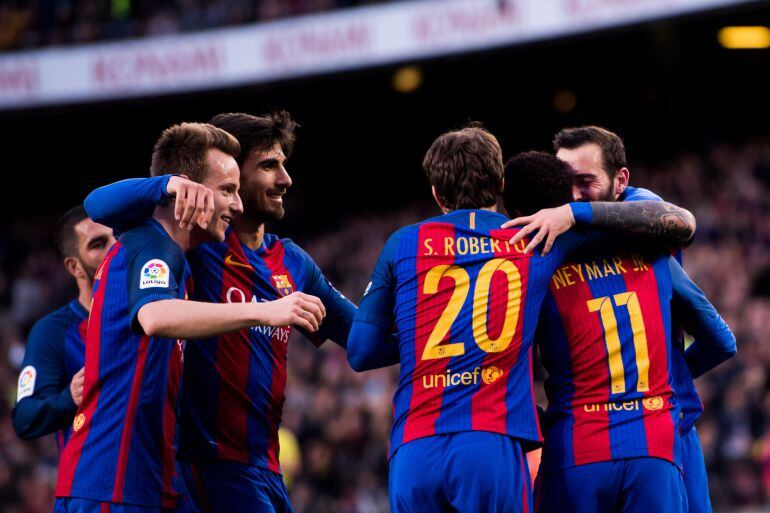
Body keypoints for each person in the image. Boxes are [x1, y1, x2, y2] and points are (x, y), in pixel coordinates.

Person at [346, 124, 695, 513]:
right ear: (499, 183)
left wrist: (423, 335)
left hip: (413, 447)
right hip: (491, 443)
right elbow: (678, 223)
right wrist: (570, 213)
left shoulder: (401, 242)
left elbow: (361, 352)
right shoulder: (534, 240)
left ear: (435, 193)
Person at [82, 112, 390, 513]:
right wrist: (169, 185)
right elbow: (99, 205)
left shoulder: (293, 262)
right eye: (268, 166)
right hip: (207, 464)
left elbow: (363, 343)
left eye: (283, 165)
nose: (285, 179)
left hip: (268, 465)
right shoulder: (197, 240)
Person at [513, 126, 734, 512]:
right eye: (566, 185)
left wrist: (570, 213)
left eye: (586, 181)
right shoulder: (644, 246)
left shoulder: (632, 218)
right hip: (659, 433)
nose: (574, 194)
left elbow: (683, 223)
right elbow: (719, 339)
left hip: (620, 437)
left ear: (621, 181)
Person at [12, 207, 114, 449]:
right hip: (92, 478)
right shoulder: (53, 331)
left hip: (166, 478)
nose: (114, 249)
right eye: (98, 244)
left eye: (116, 238)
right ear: (74, 267)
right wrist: (70, 397)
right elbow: (25, 417)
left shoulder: (152, 315)